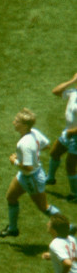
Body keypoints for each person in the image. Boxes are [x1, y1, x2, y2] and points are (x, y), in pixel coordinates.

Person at [0, 108, 61, 237]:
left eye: (17, 121)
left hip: (32, 178)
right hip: (25, 175)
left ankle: (66, 225)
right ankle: (13, 229)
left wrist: (14, 161)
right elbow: (46, 145)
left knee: (44, 207)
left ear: (24, 125)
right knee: (11, 197)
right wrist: (34, 151)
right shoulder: (34, 133)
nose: (14, 122)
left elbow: (28, 167)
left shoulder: (24, 144)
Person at [46, 73, 77, 202]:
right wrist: (72, 81)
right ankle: (50, 178)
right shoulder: (74, 92)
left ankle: (74, 193)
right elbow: (56, 91)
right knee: (54, 153)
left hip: (75, 136)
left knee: (70, 165)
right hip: (68, 132)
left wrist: (73, 132)